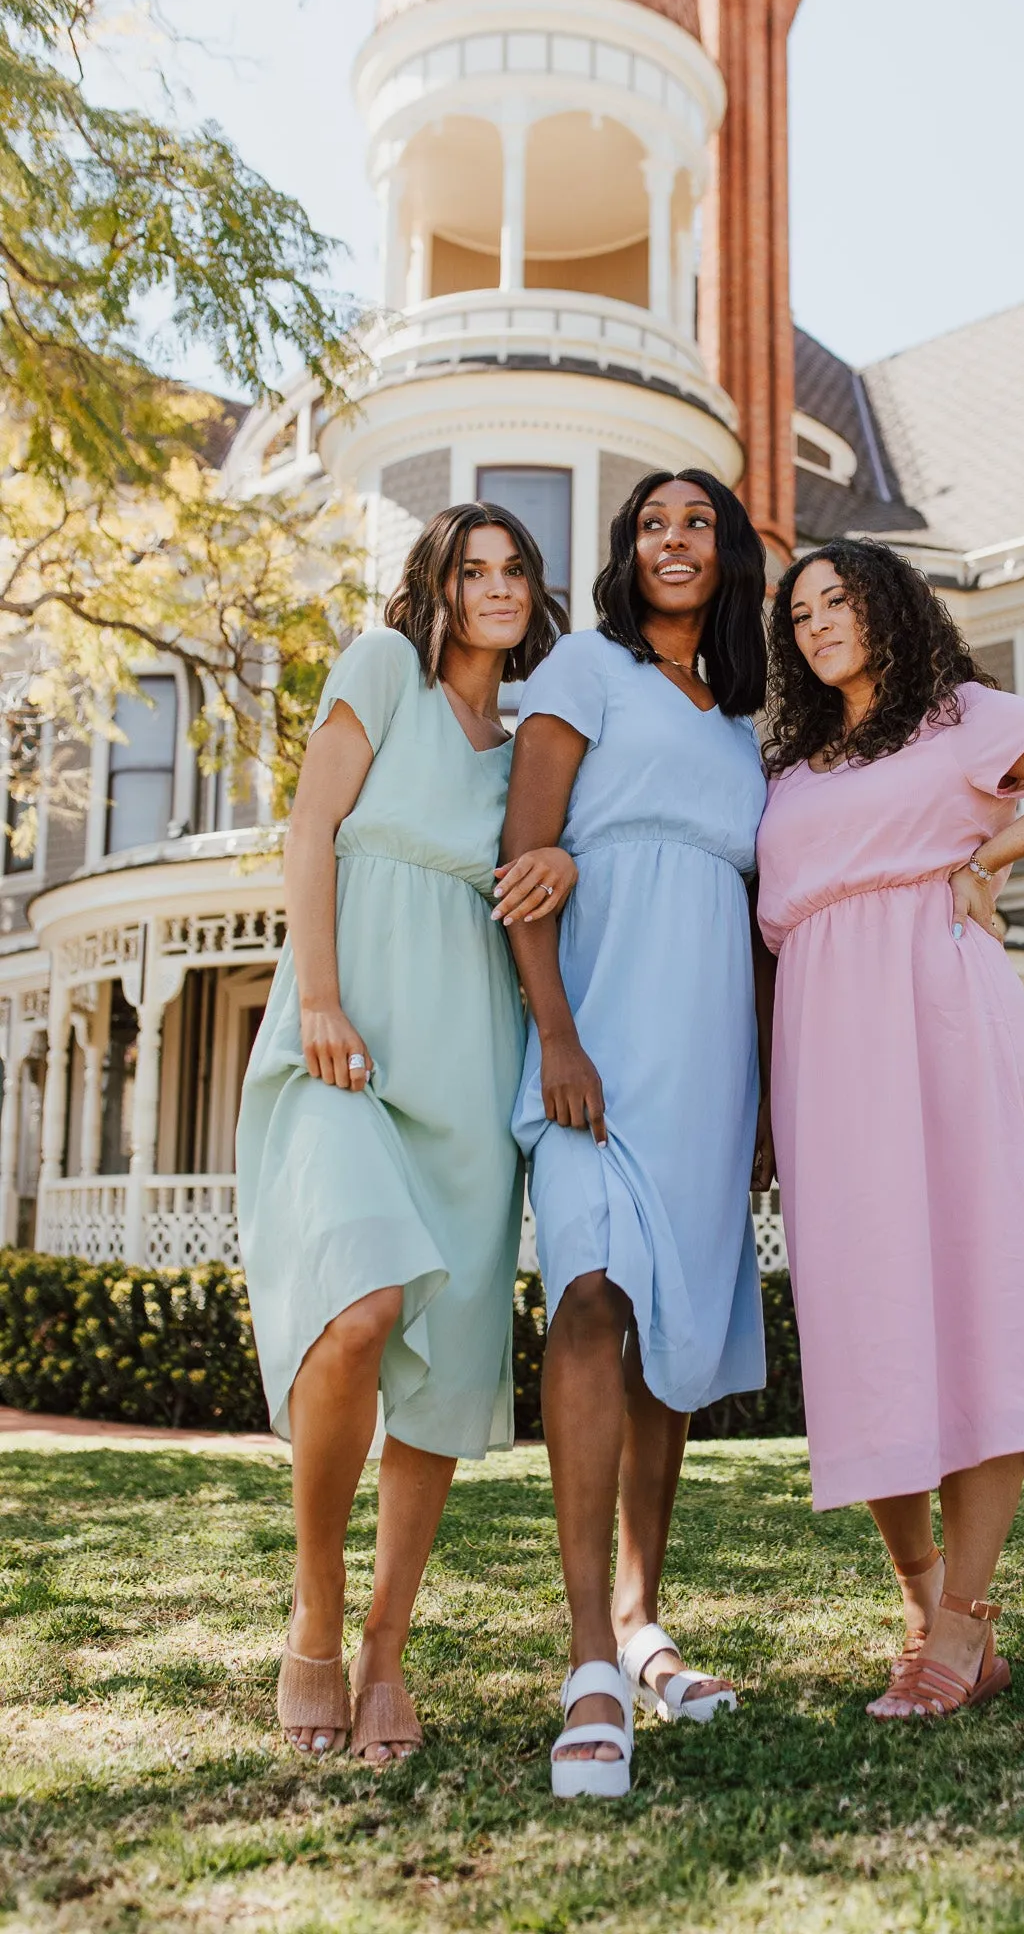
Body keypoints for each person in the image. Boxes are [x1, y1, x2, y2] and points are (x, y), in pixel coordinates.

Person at [757, 538, 1024, 1723]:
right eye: (803, 607)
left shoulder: (960, 715)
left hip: (946, 1021)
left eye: (840, 598)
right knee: (865, 1320)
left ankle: (965, 1622)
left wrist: (992, 855)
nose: (820, 619)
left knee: (975, 1307)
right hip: (827, 1050)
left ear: (890, 607)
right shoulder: (791, 765)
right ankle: (928, 1603)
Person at [237, 503, 572, 1765]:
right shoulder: (382, 670)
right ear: (436, 586)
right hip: (348, 1041)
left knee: (436, 1379)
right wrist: (316, 994)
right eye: (472, 568)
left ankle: (386, 1647)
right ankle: (315, 1608)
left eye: (513, 568)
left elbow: (544, 869)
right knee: (362, 1306)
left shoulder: (524, 741)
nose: (494, 586)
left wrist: (568, 870)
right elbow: (311, 826)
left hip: (472, 1061)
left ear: (535, 594)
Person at [502, 469, 772, 1799]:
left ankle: (646, 1619)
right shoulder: (581, 671)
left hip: (710, 1055)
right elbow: (525, 856)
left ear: (727, 559)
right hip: (594, 1043)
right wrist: (555, 1033)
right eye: (653, 522)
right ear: (627, 550)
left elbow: (761, 907)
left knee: (668, 1342)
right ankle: (587, 1662)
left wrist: (768, 1093)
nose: (675, 540)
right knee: (592, 1299)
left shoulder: (743, 725)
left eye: (700, 524)